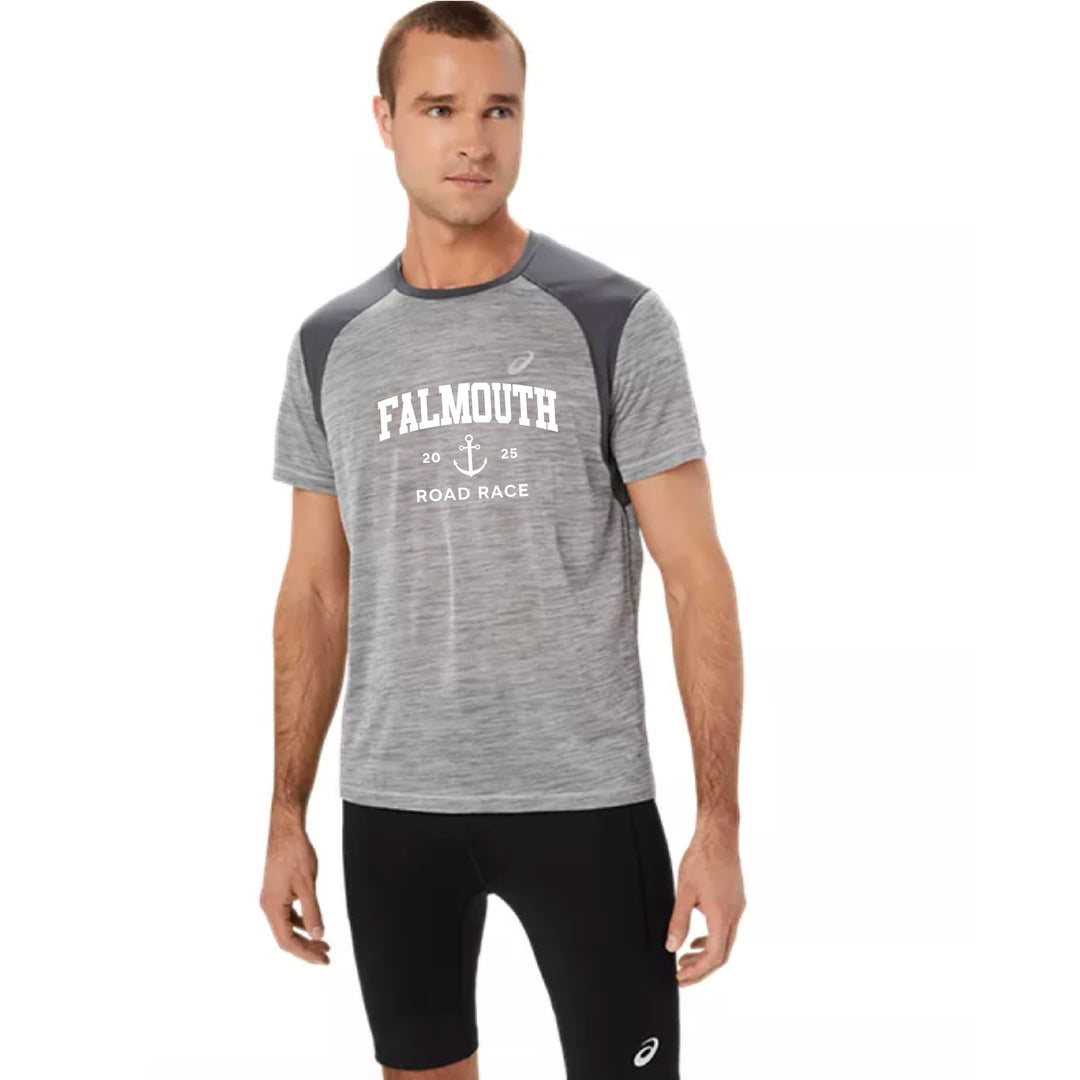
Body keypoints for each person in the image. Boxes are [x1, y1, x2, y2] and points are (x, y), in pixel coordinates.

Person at [261, 4, 746, 1077]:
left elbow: (696, 578)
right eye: (440, 109)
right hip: (393, 803)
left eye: (499, 110)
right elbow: (314, 593)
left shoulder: (614, 319)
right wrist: (284, 814)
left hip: (584, 797)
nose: (473, 140)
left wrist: (719, 824)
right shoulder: (330, 344)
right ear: (385, 120)